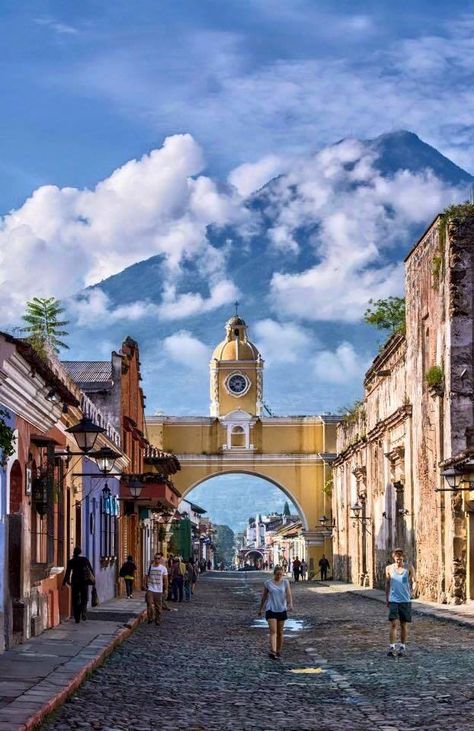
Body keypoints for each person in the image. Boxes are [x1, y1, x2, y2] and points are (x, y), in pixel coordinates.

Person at [258, 565, 293, 660]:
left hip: (281, 609)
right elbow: (264, 597)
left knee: (280, 632)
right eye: (277, 574)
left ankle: (278, 651)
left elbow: (288, 594)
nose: (279, 576)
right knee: (273, 631)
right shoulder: (268, 583)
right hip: (271, 609)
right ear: (274, 574)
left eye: (281, 574)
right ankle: (273, 651)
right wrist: (261, 609)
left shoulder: (285, 582)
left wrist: (290, 604)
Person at [385, 548, 416, 657]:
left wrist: (413, 591)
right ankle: (392, 646)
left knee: (403, 624)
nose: (399, 561)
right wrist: (387, 598)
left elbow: (414, 581)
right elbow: (388, 584)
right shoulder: (389, 568)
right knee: (393, 623)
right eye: (397, 558)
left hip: (405, 600)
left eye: (400, 559)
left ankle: (402, 646)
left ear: (403, 558)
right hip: (393, 599)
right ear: (394, 557)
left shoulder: (409, 568)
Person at [63, 547, 94, 623]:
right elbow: (90, 570)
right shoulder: (85, 560)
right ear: (80, 552)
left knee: (75, 599)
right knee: (84, 598)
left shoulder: (71, 561)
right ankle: (83, 611)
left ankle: (77, 617)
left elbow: (67, 573)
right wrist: (93, 580)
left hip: (75, 582)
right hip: (84, 581)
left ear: (74, 552)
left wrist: (64, 582)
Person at [146, 552, 168, 625]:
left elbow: (165, 579)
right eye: (155, 558)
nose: (157, 560)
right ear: (154, 559)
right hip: (150, 589)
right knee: (149, 604)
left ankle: (157, 620)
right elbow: (146, 576)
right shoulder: (150, 567)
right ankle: (150, 617)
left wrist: (166, 589)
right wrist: (145, 584)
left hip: (159, 590)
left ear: (160, 559)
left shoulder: (163, 568)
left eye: (158, 558)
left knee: (158, 608)